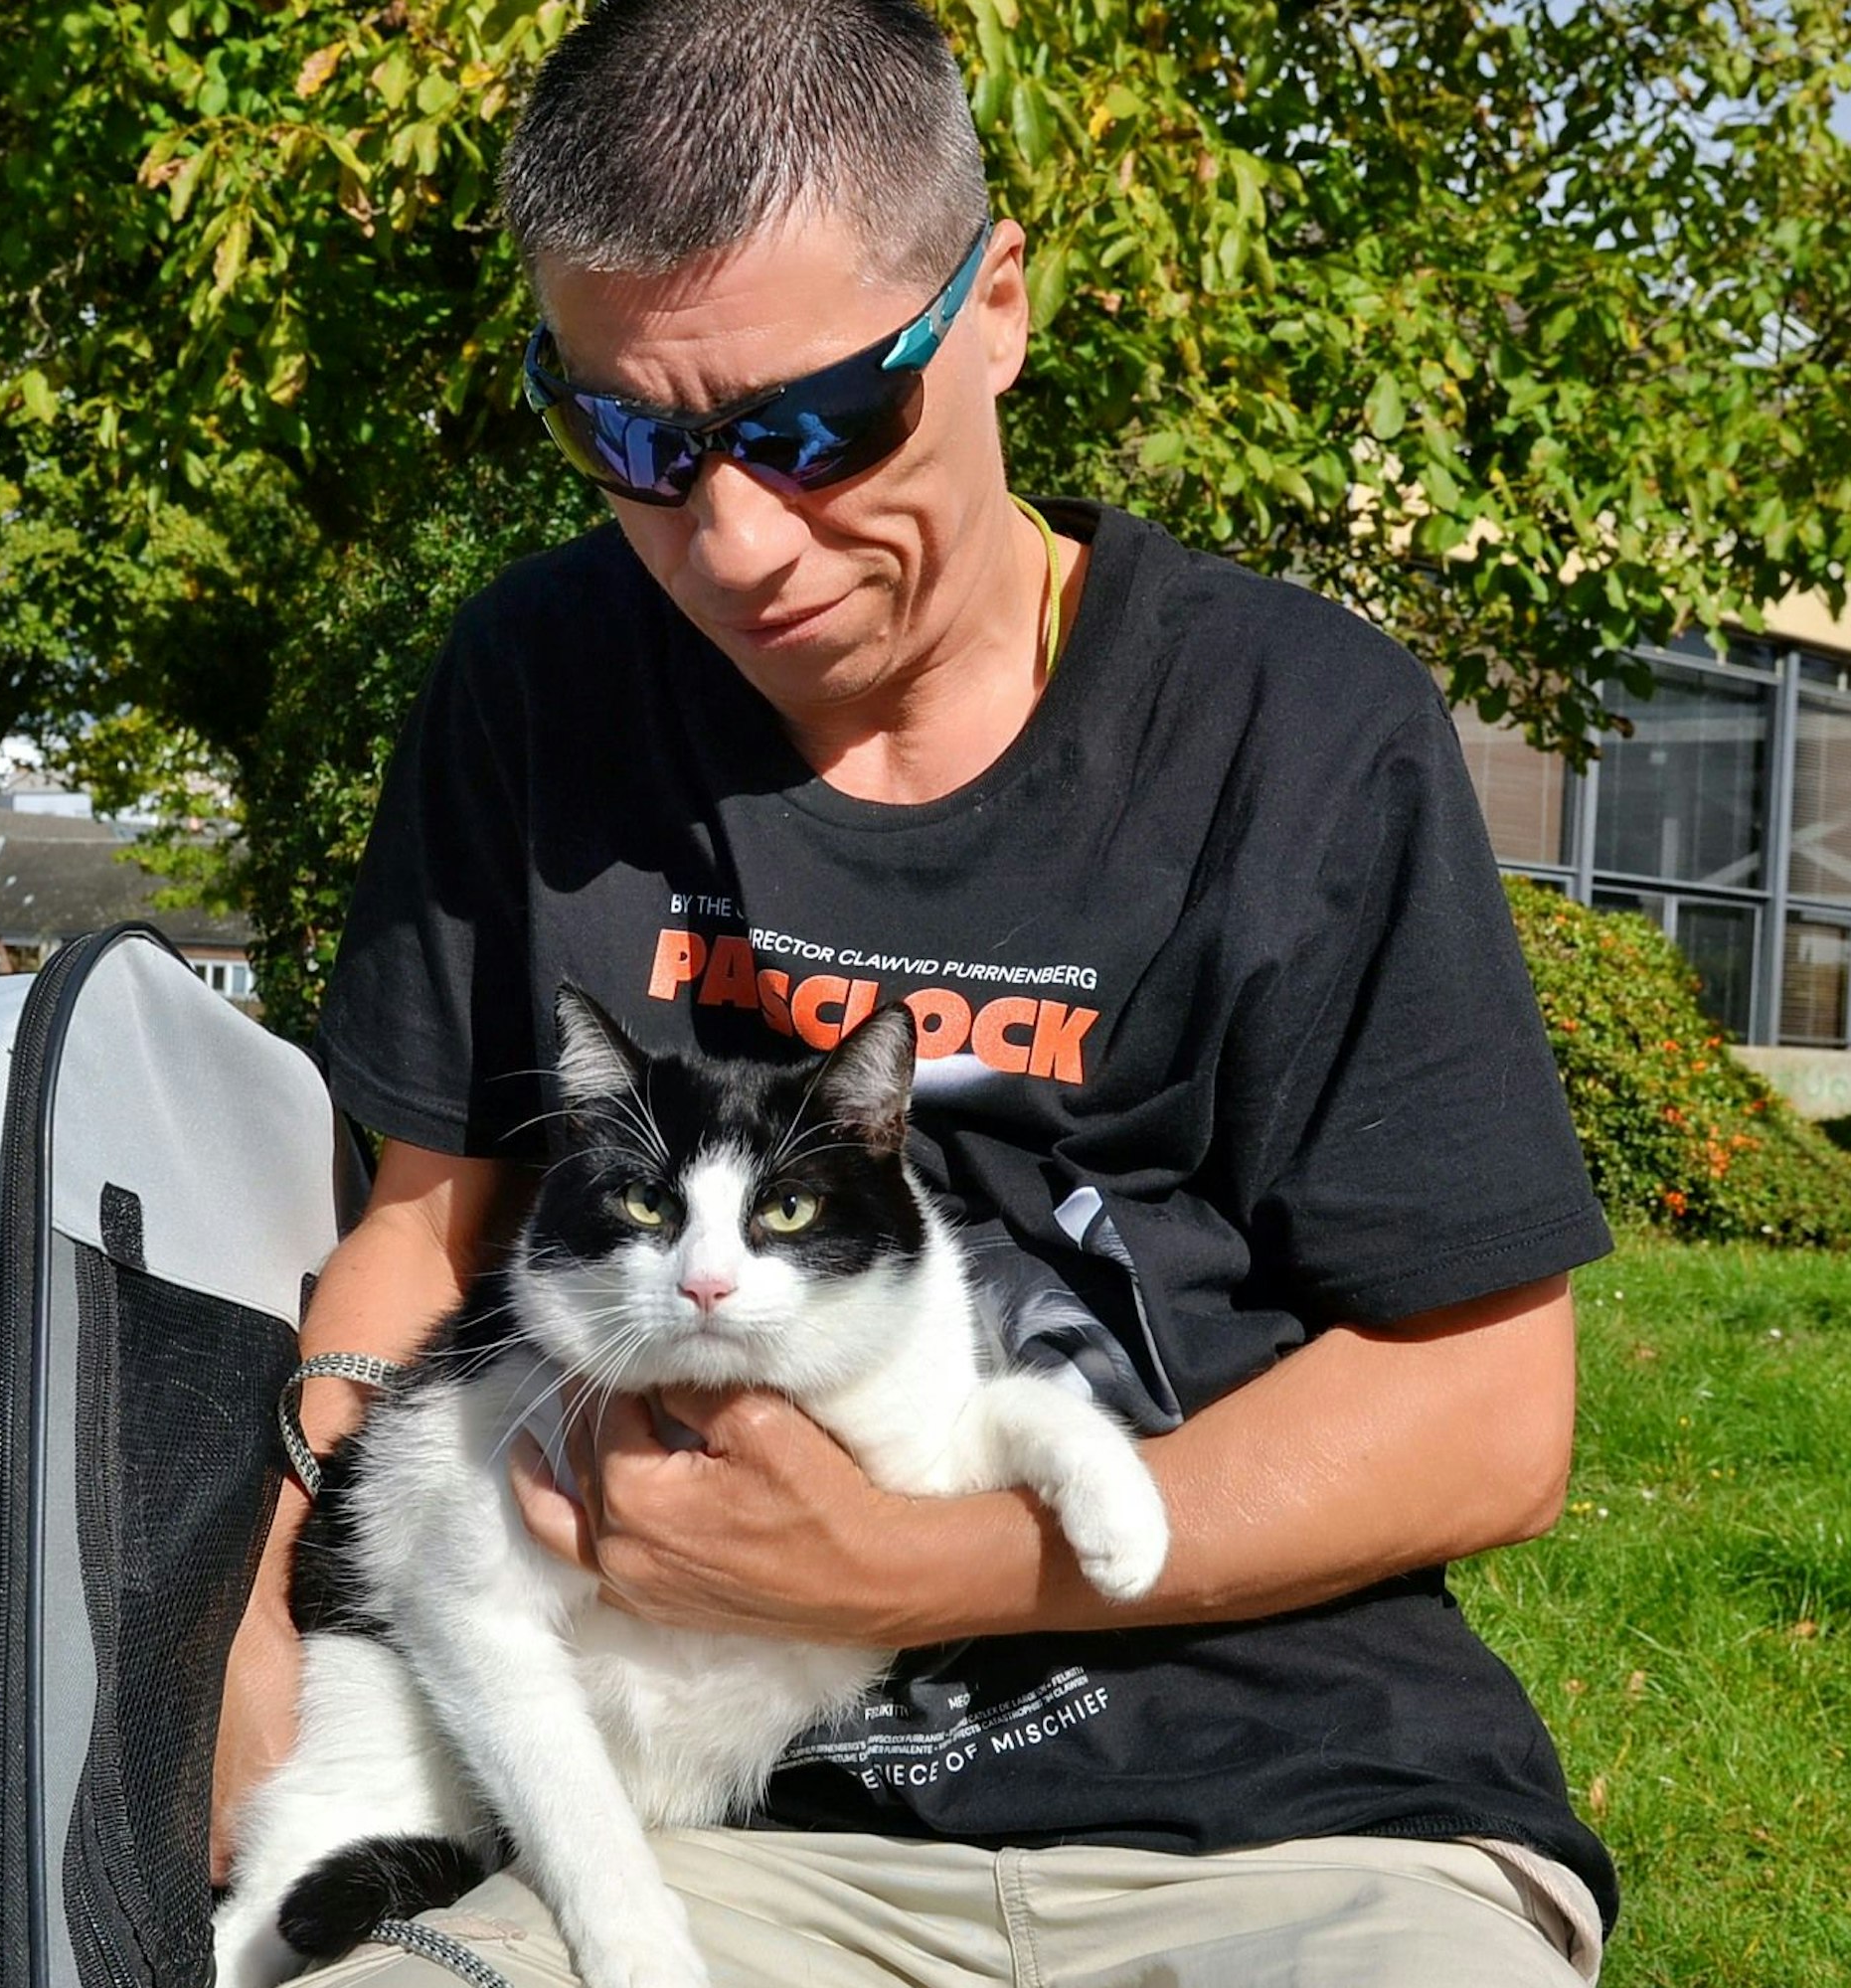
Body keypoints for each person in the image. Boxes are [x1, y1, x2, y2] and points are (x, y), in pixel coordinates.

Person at [213, 2, 1618, 1981]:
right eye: (632, 441)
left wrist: (907, 1563)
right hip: (679, 1828)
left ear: (996, 309)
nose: (730, 542)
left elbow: (1487, 1416)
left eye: (812, 428)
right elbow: (419, 1236)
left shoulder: (1298, 727)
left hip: (1288, 1817)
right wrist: (274, 1627)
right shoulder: (533, 689)